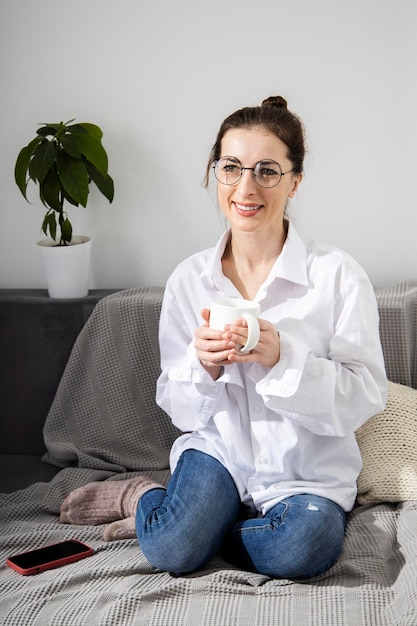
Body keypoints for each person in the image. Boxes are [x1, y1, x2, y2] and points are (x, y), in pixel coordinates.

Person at [60, 96, 387, 579]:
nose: (246, 187)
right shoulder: (189, 280)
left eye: (267, 170)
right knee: (173, 550)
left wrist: (284, 360)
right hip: (221, 456)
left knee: (302, 548)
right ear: (216, 173)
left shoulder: (338, 276)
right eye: (231, 167)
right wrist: (204, 366)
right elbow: (179, 406)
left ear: (295, 181)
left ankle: (197, 526)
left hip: (306, 473)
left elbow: (365, 397)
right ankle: (145, 497)